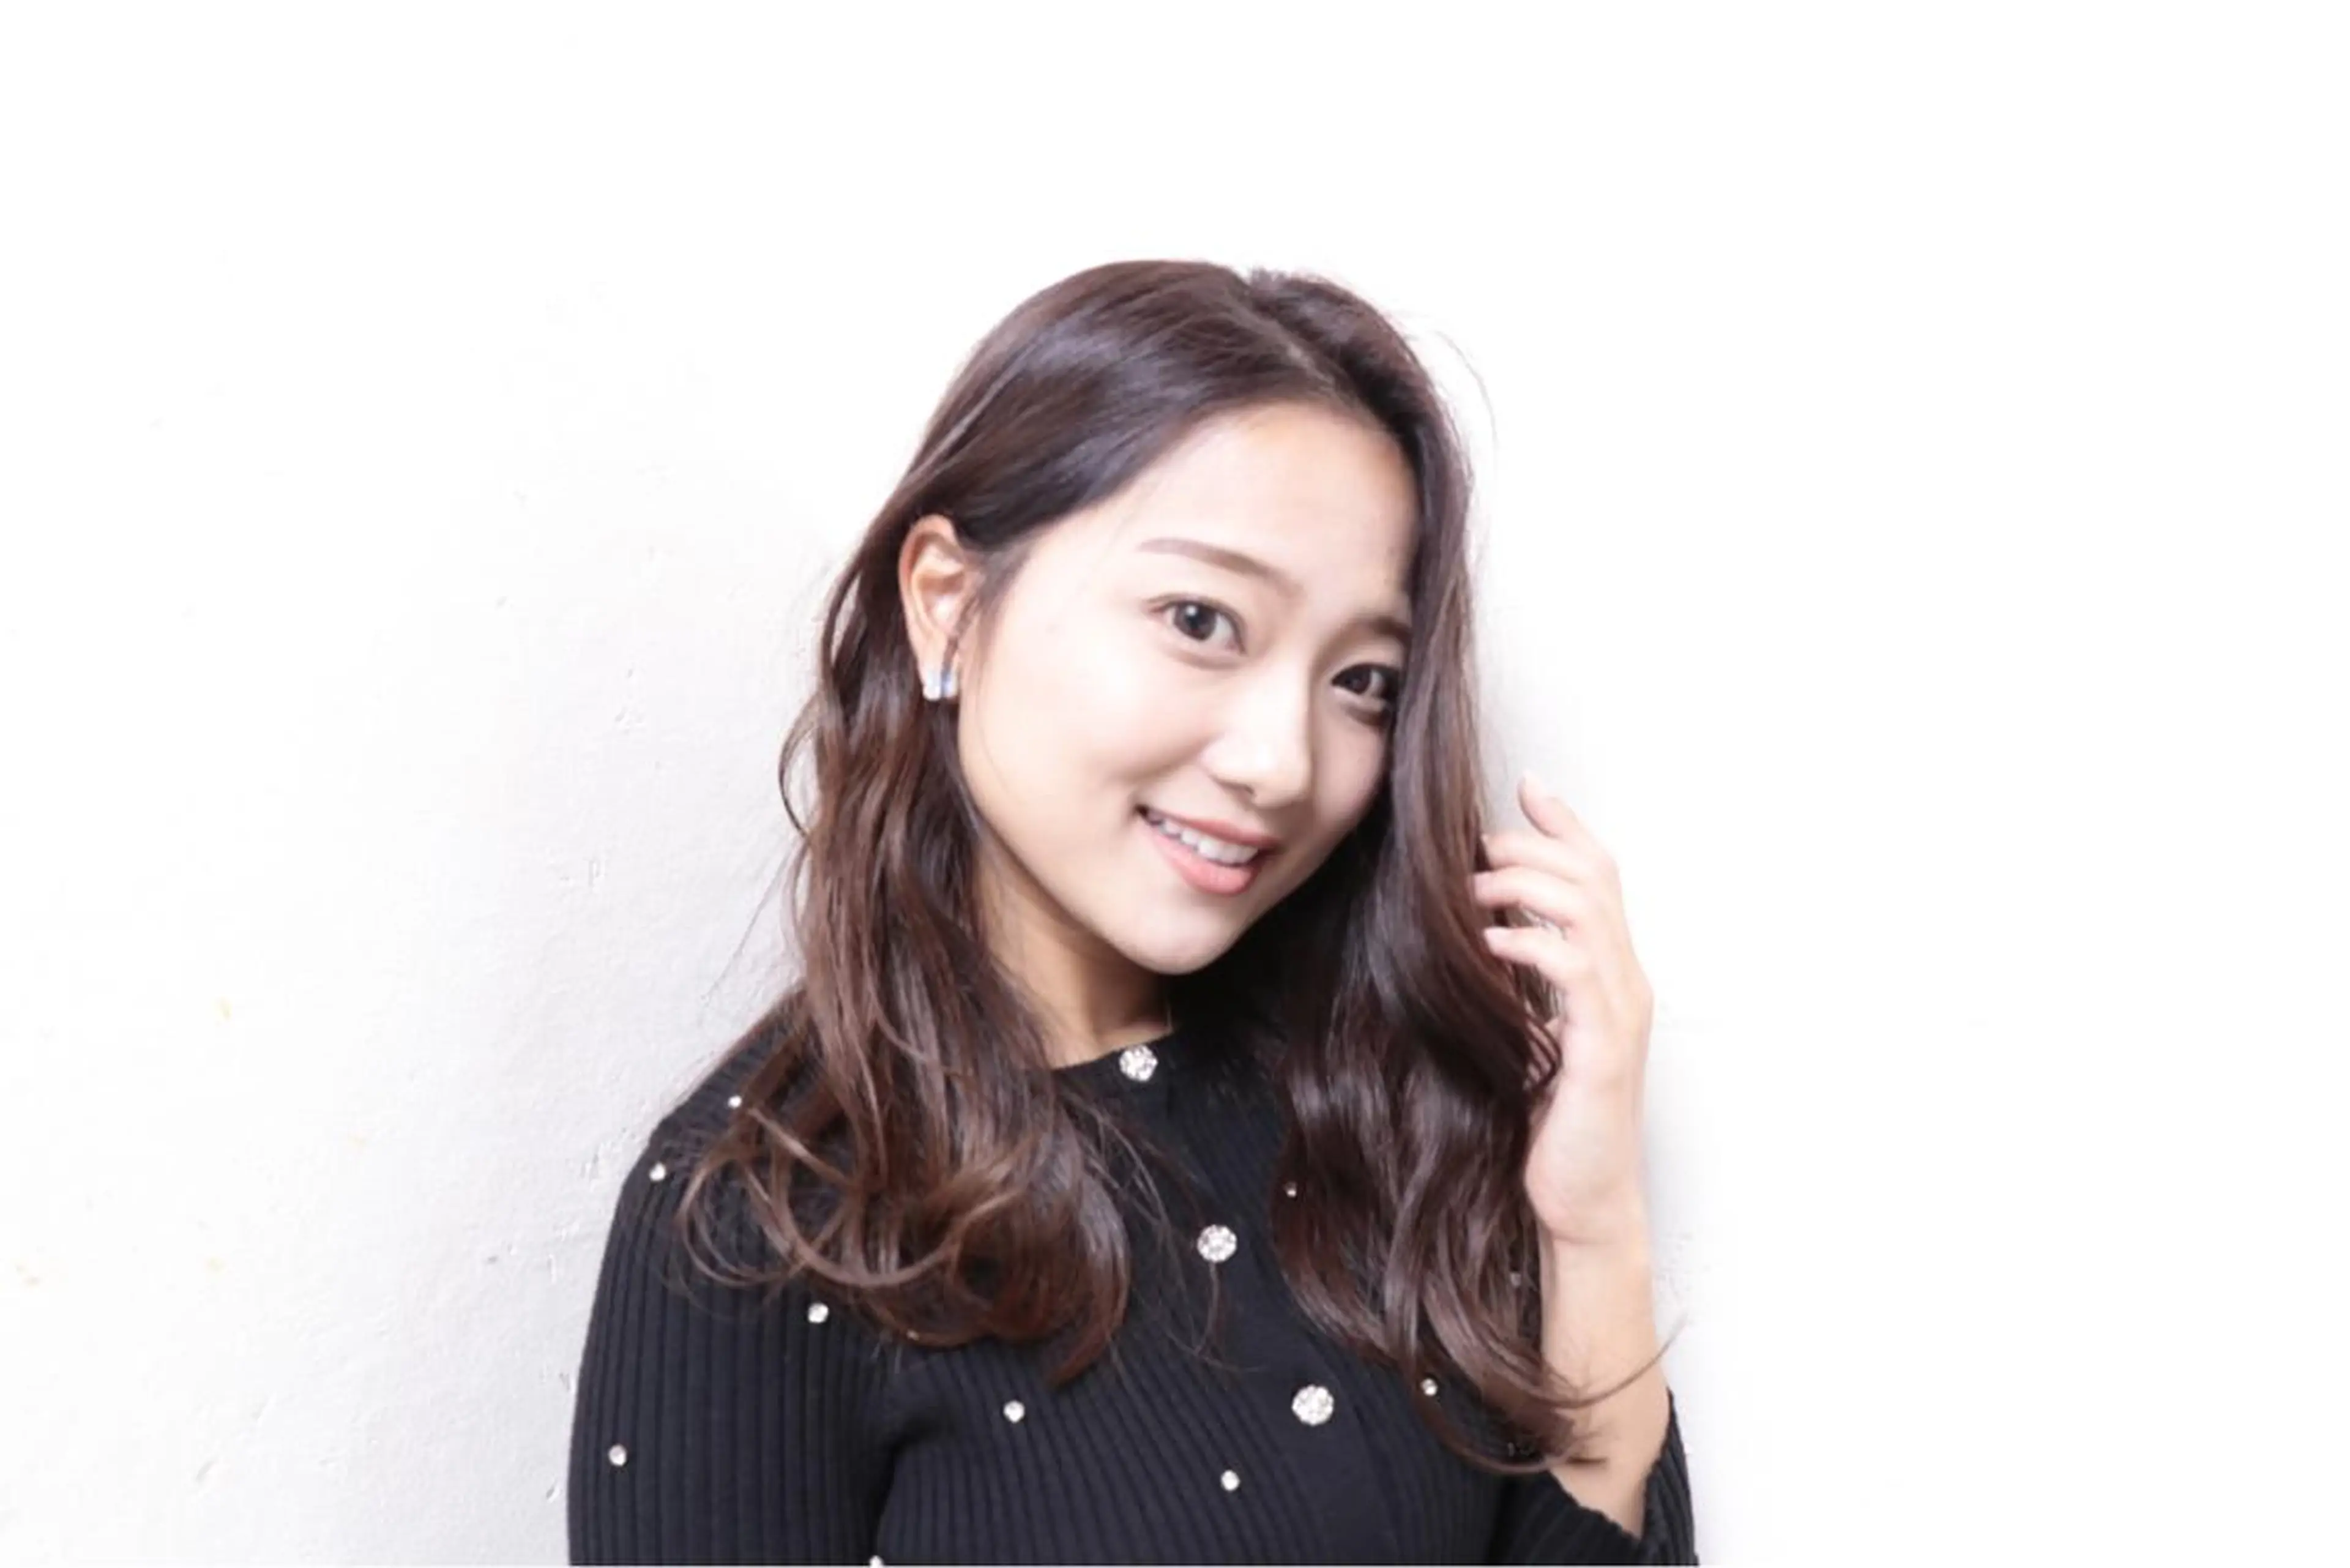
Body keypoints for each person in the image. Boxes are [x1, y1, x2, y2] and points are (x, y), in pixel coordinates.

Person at [565, 259, 1697, 1564]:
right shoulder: (758, 1218)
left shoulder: (1383, 1098)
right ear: (947, 604)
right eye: (1201, 620)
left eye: (1364, 680)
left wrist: (1592, 1225)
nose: (1281, 761)